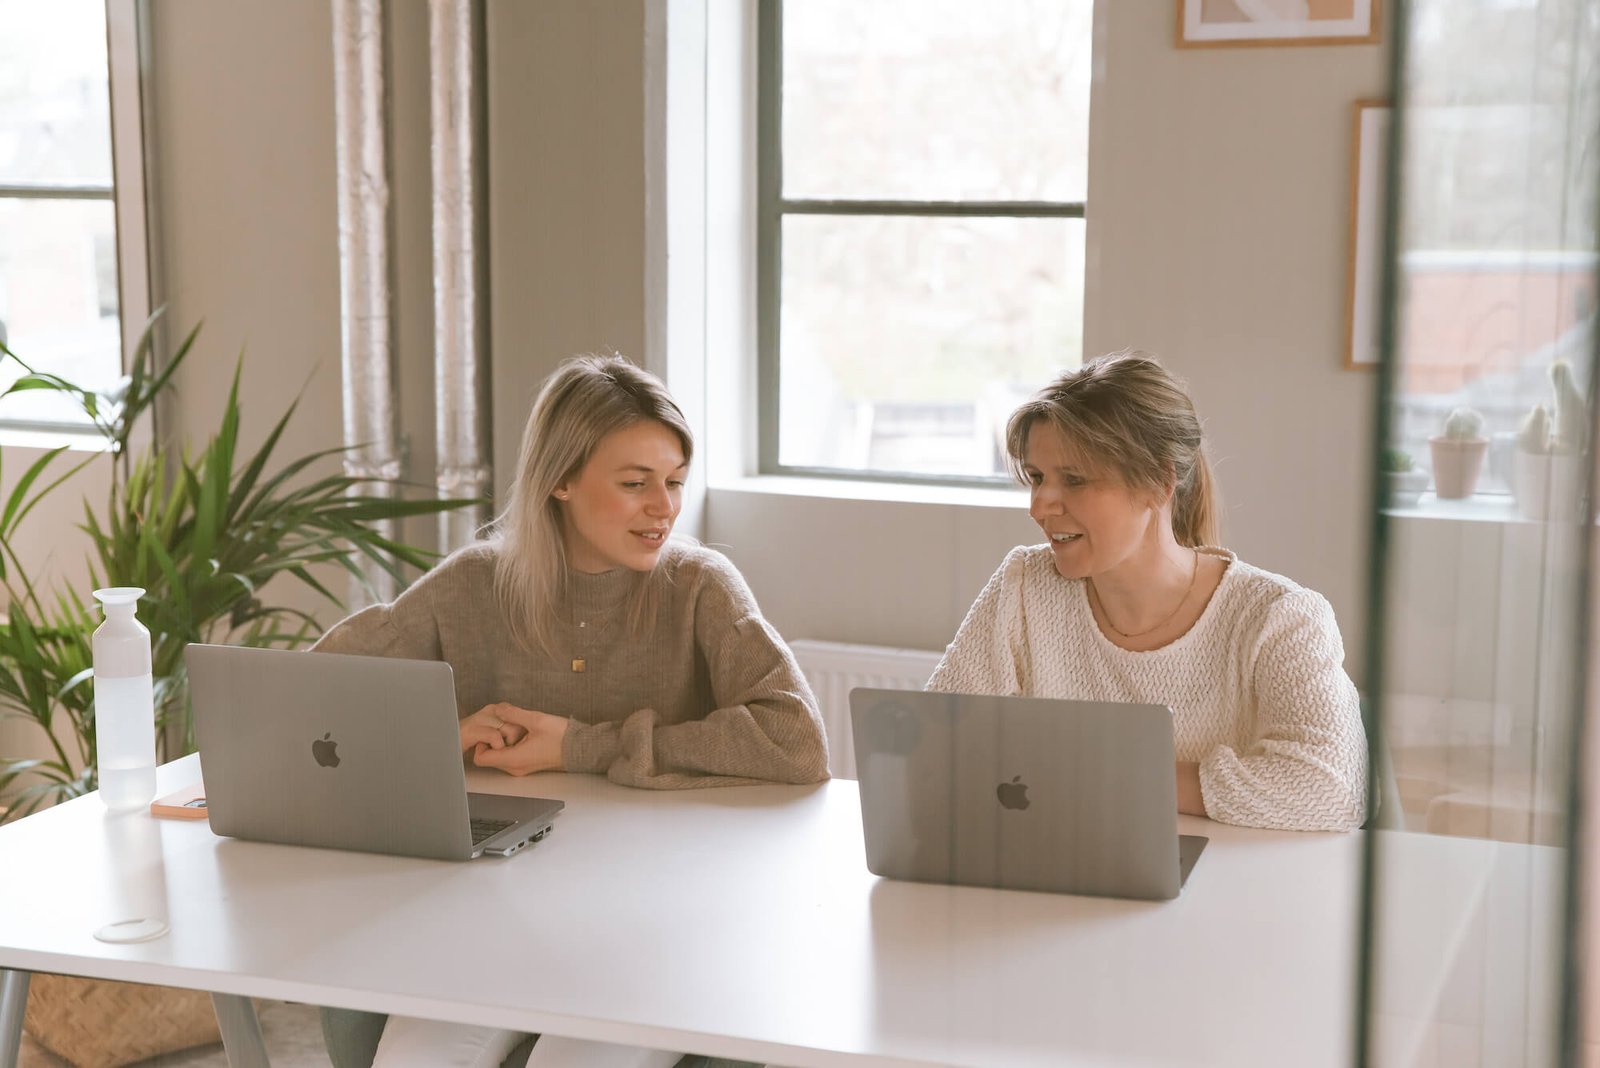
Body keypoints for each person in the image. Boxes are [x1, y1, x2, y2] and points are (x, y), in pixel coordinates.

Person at [314, 353, 825, 1068]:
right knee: (413, 1060)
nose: (664, 507)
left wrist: (581, 745)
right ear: (559, 479)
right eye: (634, 483)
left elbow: (795, 739)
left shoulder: (700, 586)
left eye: (674, 482)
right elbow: (312, 696)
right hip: (497, 915)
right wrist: (437, 732)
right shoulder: (474, 584)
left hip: (661, 919)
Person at [927, 350, 1367, 833]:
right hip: (1062, 878)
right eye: (1036, 477)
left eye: (1073, 479)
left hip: (1227, 889)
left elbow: (1331, 788)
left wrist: (1099, 775)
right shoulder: (1024, 587)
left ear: (1159, 483)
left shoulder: (1280, 617)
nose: (1039, 506)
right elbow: (934, 750)